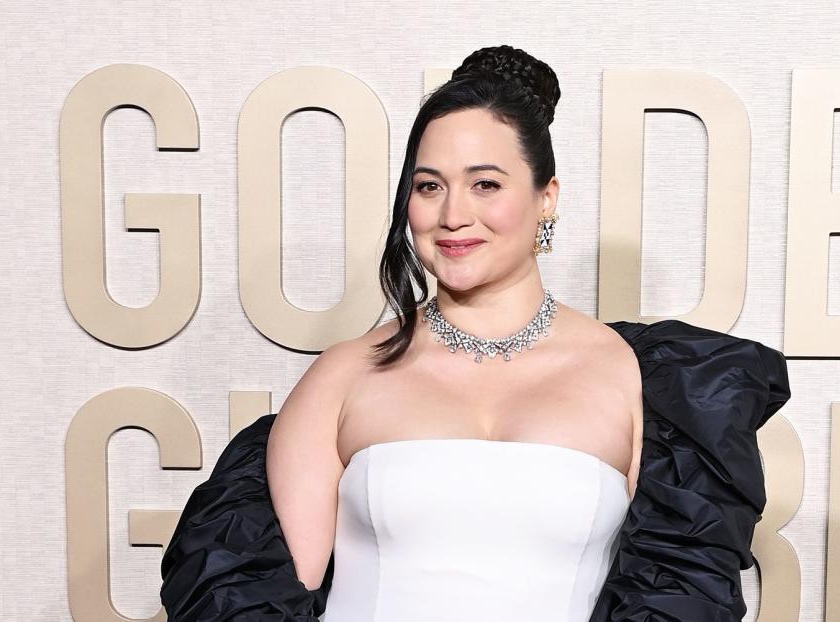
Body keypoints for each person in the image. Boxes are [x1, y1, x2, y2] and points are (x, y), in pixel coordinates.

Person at [159, 45, 791, 622]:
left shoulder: (635, 378)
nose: (453, 214)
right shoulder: (344, 374)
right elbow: (263, 603)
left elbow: (670, 594)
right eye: (429, 186)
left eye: (485, 184)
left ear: (547, 197)